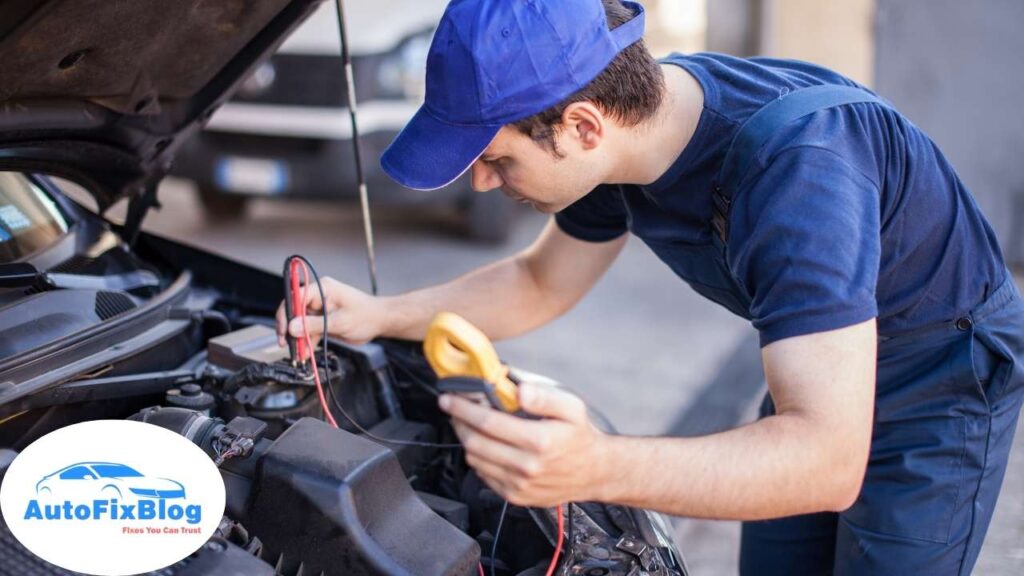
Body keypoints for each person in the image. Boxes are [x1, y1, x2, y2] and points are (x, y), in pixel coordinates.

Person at [276, 1, 1024, 573]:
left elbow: (826, 459)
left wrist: (597, 463)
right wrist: (377, 313)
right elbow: (539, 281)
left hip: (940, 381)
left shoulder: (799, 174)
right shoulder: (620, 142)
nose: (481, 178)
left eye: (495, 156)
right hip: (821, 367)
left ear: (582, 126)